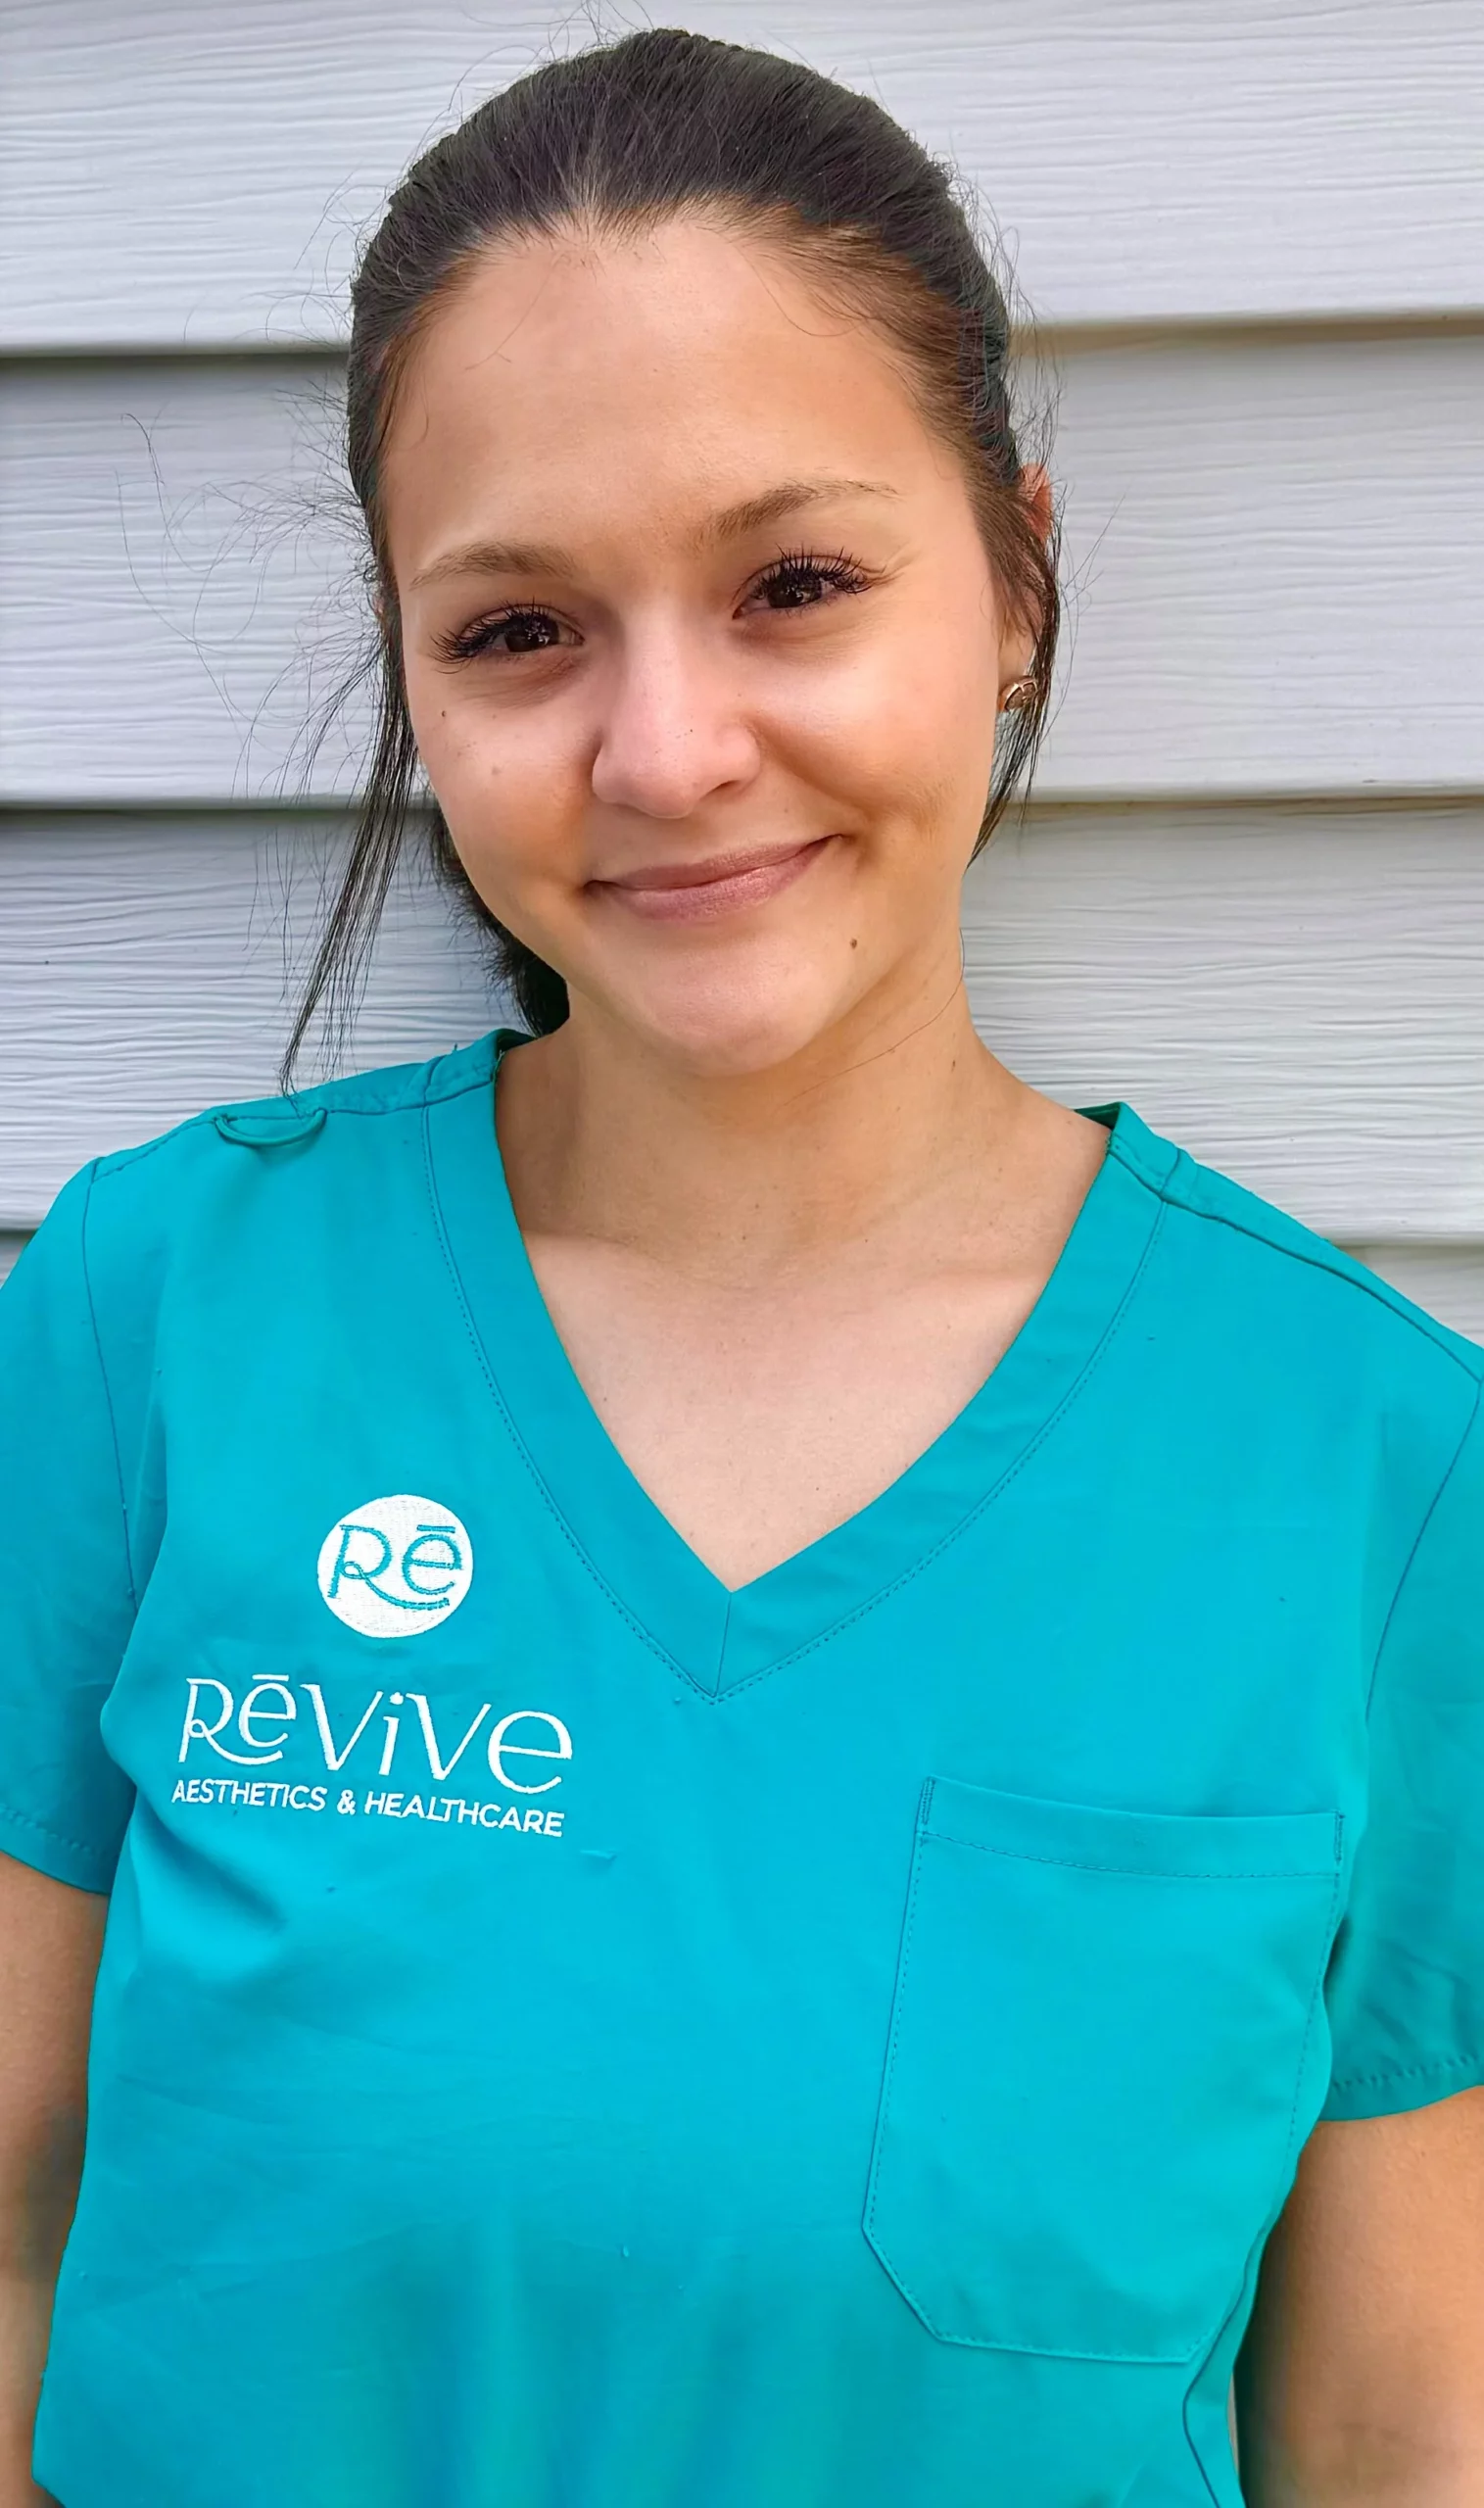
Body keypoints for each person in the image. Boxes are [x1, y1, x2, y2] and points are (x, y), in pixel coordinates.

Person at [1, 25, 1481, 2507]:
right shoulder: (157, 1318)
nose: (667, 748)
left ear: (1012, 576)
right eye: (517, 632)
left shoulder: (1372, 1474)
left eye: (793, 583)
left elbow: (1391, 2413)